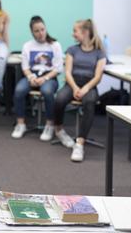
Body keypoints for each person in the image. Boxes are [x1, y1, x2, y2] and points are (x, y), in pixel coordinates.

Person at [53, 19, 106, 162]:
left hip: (89, 85)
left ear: (85, 32)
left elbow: (98, 76)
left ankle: (80, 144)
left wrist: (85, 88)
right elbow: (68, 73)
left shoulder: (99, 53)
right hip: (72, 84)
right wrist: (76, 88)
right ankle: (59, 130)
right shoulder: (72, 50)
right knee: (59, 98)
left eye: (75, 31)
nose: (73, 34)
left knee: (90, 101)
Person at [11, 16, 63, 140]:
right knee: (19, 91)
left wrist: (44, 79)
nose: (40, 33)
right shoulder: (27, 46)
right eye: (37, 31)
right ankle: (20, 124)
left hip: (49, 77)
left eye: (42, 29)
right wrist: (30, 77)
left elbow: (58, 68)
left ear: (45, 29)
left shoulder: (55, 45)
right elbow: (25, 66)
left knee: (47, 91)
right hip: (32, 76)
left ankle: (49, 125)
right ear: (32, 32)